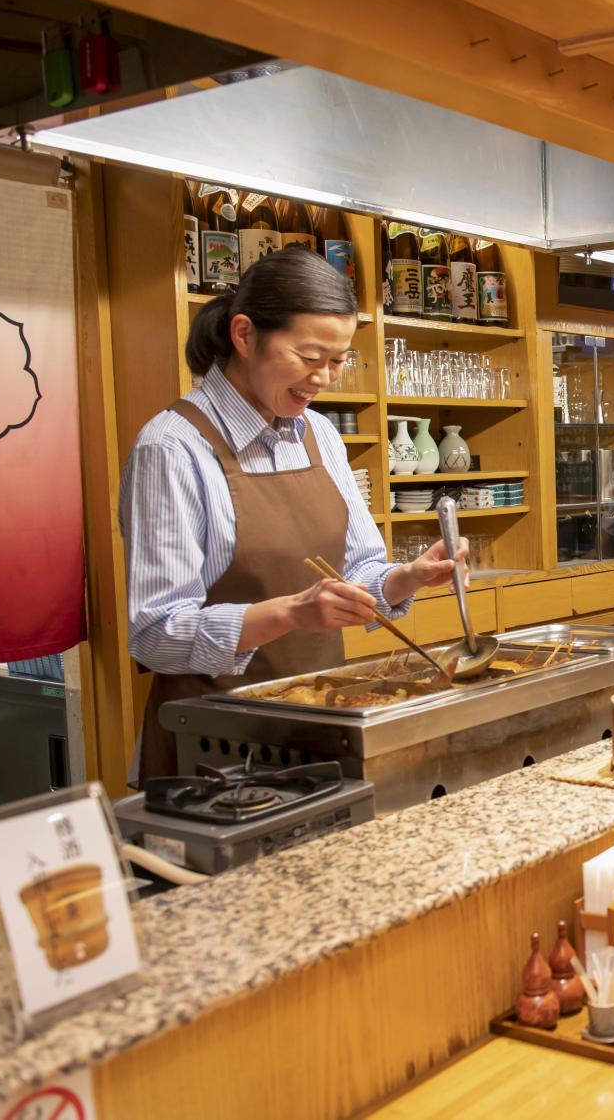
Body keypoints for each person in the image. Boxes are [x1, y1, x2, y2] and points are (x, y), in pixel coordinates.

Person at [119, 248, 465, 782]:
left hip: (320, 726)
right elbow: (155, 633)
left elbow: (358, 576)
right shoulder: (172, 448)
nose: (325, 377)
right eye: (309, 357)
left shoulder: (319, 435)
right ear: (243, 335)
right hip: (216, 749)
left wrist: (404, 579)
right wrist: (288, 614)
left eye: (339, 359)